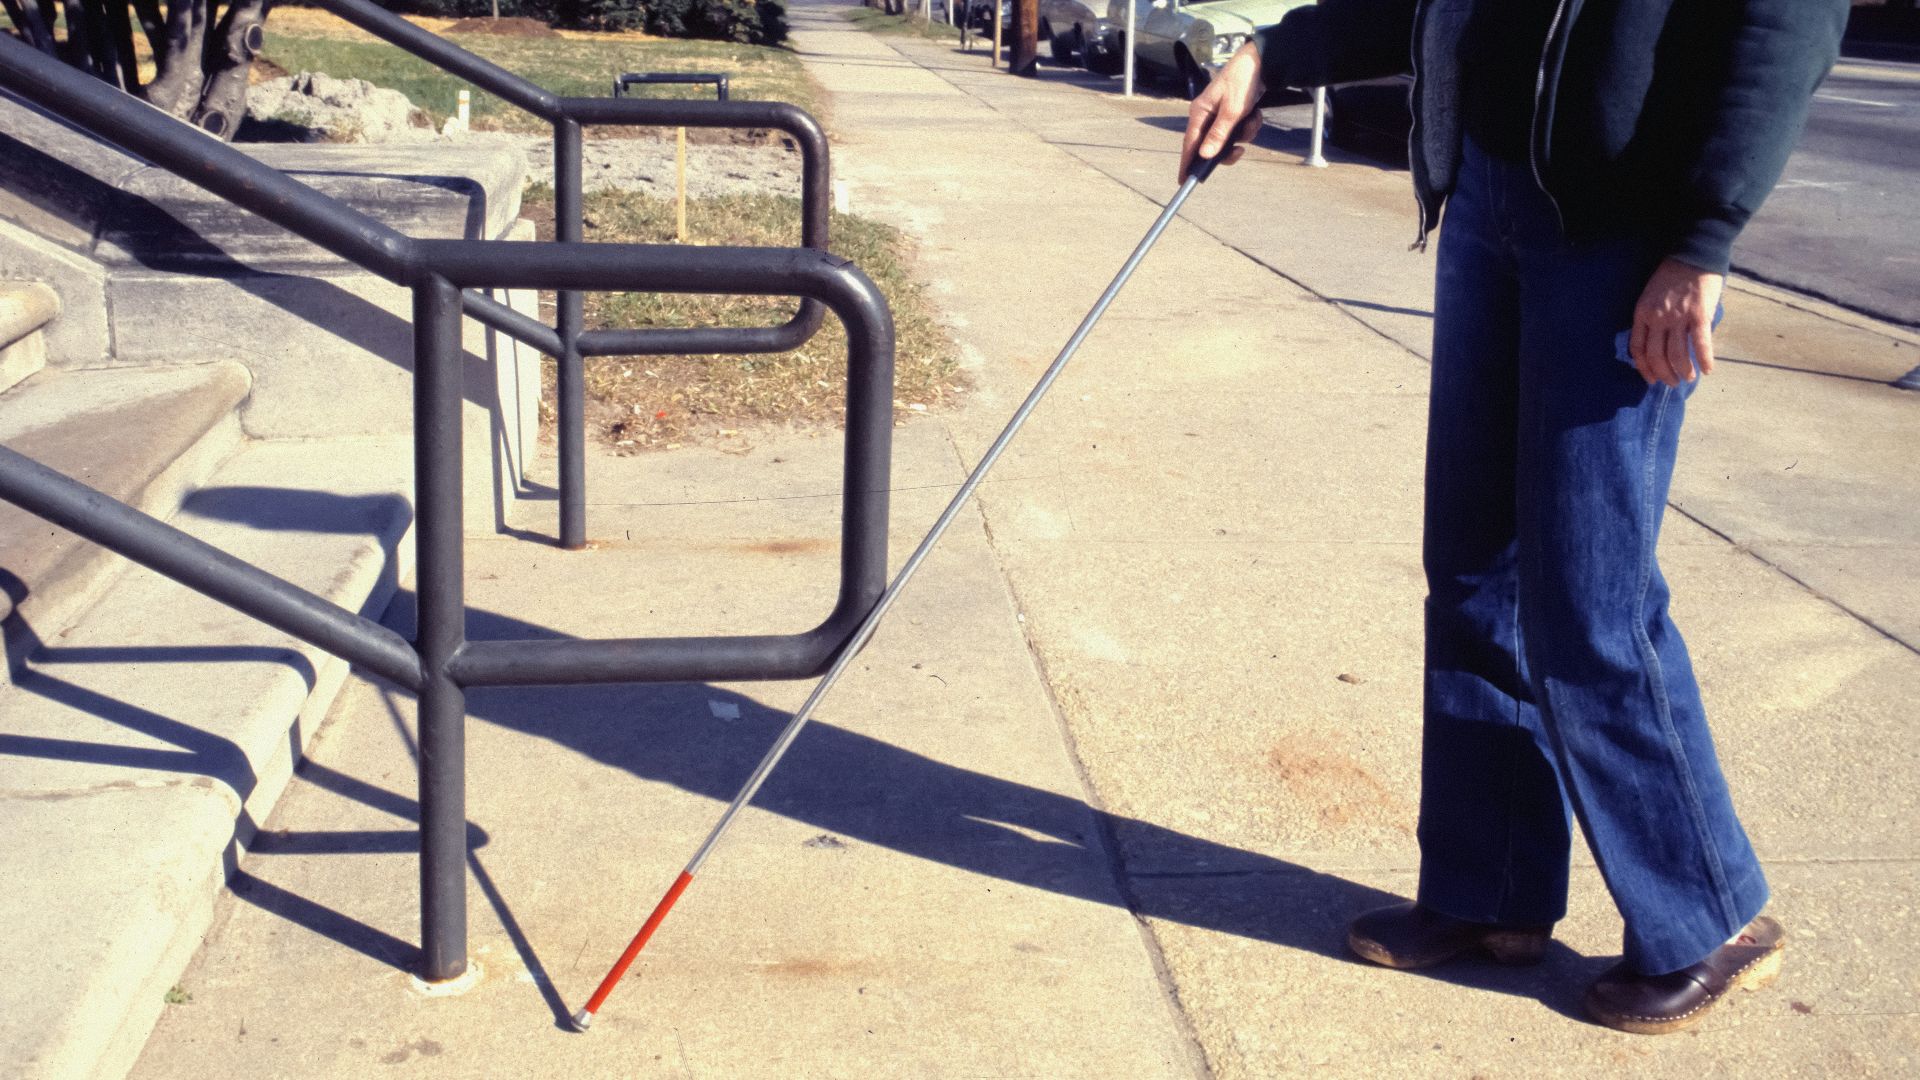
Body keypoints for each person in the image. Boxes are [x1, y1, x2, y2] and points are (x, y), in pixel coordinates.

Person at [1178, 0, 1848, 1035]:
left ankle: (1710, 916)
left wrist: (1701, 242)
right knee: (1473, 570)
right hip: (1489, 194)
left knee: (1591, 596)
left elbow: (1782, 30)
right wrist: (1275, 53)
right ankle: (1489, 891)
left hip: (1623, 230)